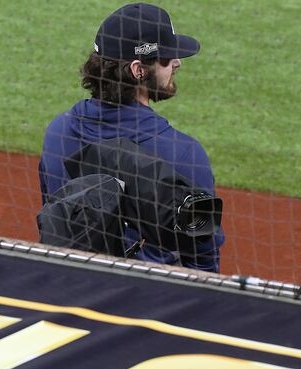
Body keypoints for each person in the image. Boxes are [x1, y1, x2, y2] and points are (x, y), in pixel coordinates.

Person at [39, 3, 225, 273]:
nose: (177, 63)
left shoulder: (58, 131)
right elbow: (203, 262)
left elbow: (55, 215)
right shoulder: (184, 154)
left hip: (69, 283)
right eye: (166, 58)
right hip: (144, 299)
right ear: (138, 70)